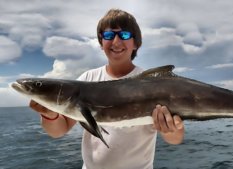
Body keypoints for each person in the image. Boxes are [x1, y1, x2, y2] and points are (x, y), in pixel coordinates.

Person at [29, 8, 184, 169]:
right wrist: (49, 115)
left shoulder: (152, 85)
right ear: (101, 43)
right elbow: (58, 131)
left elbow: (175, 138)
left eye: (124, 35)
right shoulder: (87, 79)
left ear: (136, 43)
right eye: (109, 36)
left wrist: (169, 130)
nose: (116, 42)